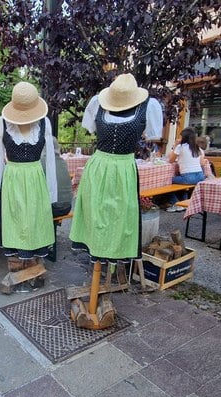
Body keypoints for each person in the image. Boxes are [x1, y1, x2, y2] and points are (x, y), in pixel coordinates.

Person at [70, 73, 163, 262]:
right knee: (94, 213)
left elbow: (153, 134)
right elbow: (91, 127)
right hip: (97, 167)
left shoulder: (149, 106)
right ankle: (96, 253)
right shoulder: (97, 103)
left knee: (119, 216)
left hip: (124, 169)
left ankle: (112, 256)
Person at [0, 81, 57, 260]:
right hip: (12, 177)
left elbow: (50, 159)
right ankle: (19, 261)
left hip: (35, 177)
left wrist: (51, 191)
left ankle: (34, 261)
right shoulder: (3, 122)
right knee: (16, 218)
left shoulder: (45, 123)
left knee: (35, 218)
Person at [165, 128, 207, 212]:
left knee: (166, 182)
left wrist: (175, 145)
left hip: (188, 177)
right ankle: (183, 203)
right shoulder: (196, 147)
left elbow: (170, 160)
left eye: (180, 137)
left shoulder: (181, 147)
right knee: (182, 182)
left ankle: (176, 203)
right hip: (200, 176)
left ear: (184, 137)